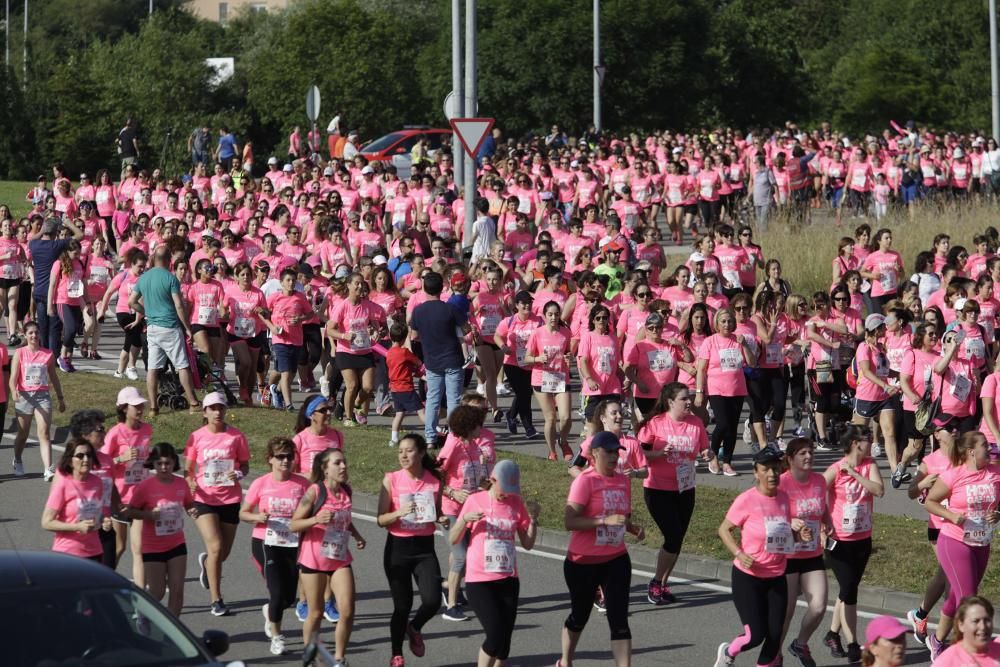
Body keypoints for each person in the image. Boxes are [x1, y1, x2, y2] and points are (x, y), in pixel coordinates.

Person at [714, 448, 813, 667]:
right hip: (748, 576)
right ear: (755, 472)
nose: (772, 474)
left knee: (775, 636)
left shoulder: (785, 498)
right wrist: (739, 553)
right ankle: (728, 653)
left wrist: (799, 536)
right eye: (766, 469)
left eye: (775, 468)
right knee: (755, 635)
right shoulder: (746, 500)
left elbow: (782, 536)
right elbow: (724, 530)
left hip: (777, 575)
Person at [558, 431, 645, 667]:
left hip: (616, 559)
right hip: (582, 561)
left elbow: (621, 517)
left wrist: (632, 528)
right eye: (609, 452)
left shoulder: (623, 481)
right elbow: (570, 521)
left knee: (619, 620)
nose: (614, 457)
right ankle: (565, 661)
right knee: (580, 616)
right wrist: (602, 521)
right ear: (595, 454)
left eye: (617, 452)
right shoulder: (585, 481)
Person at [450, 459, 539, 667]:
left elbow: (527, 544)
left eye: (510, 490)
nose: (506, 494)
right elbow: (453, 539)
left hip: (508, 578)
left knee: (504, 643)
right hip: (480, 580)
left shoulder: (516, 503)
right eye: (503, 489)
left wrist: (533, 521)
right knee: (495, 635)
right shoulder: (475, 500)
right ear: (492, 480)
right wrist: (464, 520)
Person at [636, 382, 714, 605]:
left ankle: (662, 584)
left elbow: (703, 448)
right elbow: (639, 453)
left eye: (689, 397)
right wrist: (659, 452)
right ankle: (656, 582)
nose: (689, 402)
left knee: (677, 539)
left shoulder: (696, 423)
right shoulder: (655, 424)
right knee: (672, 536)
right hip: (657, 488)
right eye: (683, 398)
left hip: (685, 488)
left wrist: (708, 454)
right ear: (670, 402)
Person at [923, 431, 1000, 659]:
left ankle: (936, 640)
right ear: (971, 452)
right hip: (954, 540)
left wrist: (998, 514)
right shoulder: (954, 475)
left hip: (981, 541)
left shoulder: (996, 474)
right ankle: (966, 654)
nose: (990, 448)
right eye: (985, 445)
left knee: (957, 596)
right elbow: (930, 501)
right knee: (969, 597)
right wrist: (950, 515)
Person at [377, 433, 448, 667]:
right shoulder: (391, 480)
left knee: (432, 600)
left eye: (408, 450)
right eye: (400, 451)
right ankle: (396, 654)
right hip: (397, 547)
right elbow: (381, 519)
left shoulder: (434, 481)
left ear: (420, 453)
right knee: (402, 605)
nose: (403, 455)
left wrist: (442, 518)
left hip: (424, 548)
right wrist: (399, 513)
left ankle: (414, 627)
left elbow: (436, 513)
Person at [290, 447, 365, 664]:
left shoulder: (346, 490)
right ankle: (310, 657)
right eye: (337, 463)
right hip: (313, 559)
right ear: (325, 469)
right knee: (315, 613)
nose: (343, 466)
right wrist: (315, 520)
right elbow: (294, 524)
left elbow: (345, 519)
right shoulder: (314, 491)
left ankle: (339, 658)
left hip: (339, 558)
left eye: (344, 462)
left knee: (348, 610)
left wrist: (357, 535)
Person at [240, 436, 310, 655]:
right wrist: (258, 517)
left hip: (293, 543)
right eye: (280, 457)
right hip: (265, 541)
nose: (285, 461)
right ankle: (277, 636)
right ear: (270, 459)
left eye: (290, 456)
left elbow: (313, 511)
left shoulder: (303, 485)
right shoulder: (261, 483)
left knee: (289, 598)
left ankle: (270, 610)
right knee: (278, 593)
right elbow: (243, 513)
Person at [184, 391, 251, 617]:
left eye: (221, 408)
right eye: (212, 408)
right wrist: (190, 483)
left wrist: (238, 475)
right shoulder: (196, 437)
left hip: (230, 498)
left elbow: (245, 466)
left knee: (223, 552)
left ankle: (207, 565)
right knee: (215, 547)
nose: (217, 412)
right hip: (204, 499)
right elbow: (189, 469)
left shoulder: (236, 437)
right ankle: (217, 599)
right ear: (205, 412)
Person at [822, 424, 884, 663]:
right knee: (849, 592)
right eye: (868, 438)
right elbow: (817, 492)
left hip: (863, 540)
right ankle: (853, 643)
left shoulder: (869, 465)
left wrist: (857, 474)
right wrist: (822, 523)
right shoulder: (835, 469)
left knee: (848, 589)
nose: (871, 442)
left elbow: (879, 490)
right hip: (839, 541)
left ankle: (832, 634)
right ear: (856, 443)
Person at [438, 404, 496, 622]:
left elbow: (474, 475)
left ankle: (448, 587)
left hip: (471, 509)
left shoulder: (473, 446)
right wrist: (452, 492)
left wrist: (486, 483)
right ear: (468, 426)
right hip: (451, 509)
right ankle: (451, 606)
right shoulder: (452, 445)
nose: (481, 429)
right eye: (478, 425)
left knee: (465, 555)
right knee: (462, 556)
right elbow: (436, 475)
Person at [126, 442, 196, 617]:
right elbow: (130, 511)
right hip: (153, 546)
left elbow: (188, 503)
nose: (164, 467)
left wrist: (192, 510)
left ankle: (174, 632)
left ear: (174, 463)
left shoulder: (181, 484)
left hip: (177, 543)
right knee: (157, 592)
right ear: (153, 464)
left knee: (177, 590)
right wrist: (149, 515)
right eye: (159, 464)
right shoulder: (145, 486)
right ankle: (142, 613)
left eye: (168, 463)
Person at [779, 437, 831, 666]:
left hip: (812, 554)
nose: (809, 456)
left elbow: (823, 508)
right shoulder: (781, 483)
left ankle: (800, 643)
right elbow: (769, 514)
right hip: (788, 555)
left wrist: (826, 523)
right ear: (790, 459)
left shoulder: (819, 480)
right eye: (802, 453)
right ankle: (774, 654)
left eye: (810, 452)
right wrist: (790, 522)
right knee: (786, 612)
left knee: (819, 606)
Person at [129, 246, 198, 414]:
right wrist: (188, 328)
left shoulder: (144, 278)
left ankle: (153, 407)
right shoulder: (171, 278)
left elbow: (132, 301)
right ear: (169, 261)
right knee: (182, 365)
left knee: (152, 368)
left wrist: (146, 312)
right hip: (170, 327)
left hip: (152, 327)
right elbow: (179, 306)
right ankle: (193, 403)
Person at [410, 272, 469, 446]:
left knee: (433, 399)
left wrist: (428, 338)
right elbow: (465, 329)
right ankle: (453, 436)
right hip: (452, 358)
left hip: (432, 360)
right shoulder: (450, 308)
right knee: (453, 399)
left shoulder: (418, 310)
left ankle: (430, 436)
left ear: (424, 288)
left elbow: (414, 336)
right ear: (442, 288)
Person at [695, 307, 755, 476]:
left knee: (732, 427)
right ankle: (712, 454)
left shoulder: (739, 340)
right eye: (723, 321)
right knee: (722, 424)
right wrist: (700, 392)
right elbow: (701, 369)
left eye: (729, 321)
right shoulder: (710, 341)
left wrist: (745, 345)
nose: (727, 324)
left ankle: (727, 462)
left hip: (737, 389)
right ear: (717, 324)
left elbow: (751, 363)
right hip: (716, 389)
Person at [102, 386, 153, 585]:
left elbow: (146, 458)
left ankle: (141, 597)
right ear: (124, 408)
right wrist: (120, 458)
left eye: (141, 405)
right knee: (118, 546)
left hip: (140, 496)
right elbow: (102, 463)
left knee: (139, 548)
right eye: (135, 406)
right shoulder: (115, 433)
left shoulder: (147, 429)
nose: (139, 409)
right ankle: (103, 581)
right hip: (119, 496)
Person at [41, 437, 111, 561]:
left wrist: (104, 521)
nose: (85, 459)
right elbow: (46, 522)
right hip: (68, 554)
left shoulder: (97, 482)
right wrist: (76, 527)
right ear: (69, 461)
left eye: (89, 455)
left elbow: (99, 513)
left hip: (95, 551)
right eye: (80, 456)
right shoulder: (63, 485)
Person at [10, 321, 64, 481]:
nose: (34, 336)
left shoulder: (47, 354)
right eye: (30, 333)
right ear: (25, 335)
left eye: (36, 332)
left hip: (42, 396)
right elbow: (13, 378)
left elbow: (54, 378)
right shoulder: (20, 353)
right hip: (24, 396)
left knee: (44, 433)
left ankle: (48, 469)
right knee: (23, 433)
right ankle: (18, 459)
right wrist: (14, 391)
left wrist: (61, 398)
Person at [525, 300, 574, 461]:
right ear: (545, 316)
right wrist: (538, 358)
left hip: (560, 377)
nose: (553, 317)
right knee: (551, 418)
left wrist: (569, 357)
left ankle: (563, 441)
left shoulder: (566, 332)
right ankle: (552, 451)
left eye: (556, 314)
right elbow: (526, 359)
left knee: (566, 417)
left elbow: (568, 353)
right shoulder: (537, 333)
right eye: (550, 314)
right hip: (541, 378)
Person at [29, 216, 83, 352]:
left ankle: (43, 352)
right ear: (55, 233)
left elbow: (33, 238)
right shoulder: (57, 245)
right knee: (55, 328)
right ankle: (53, 356)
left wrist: (42, 229)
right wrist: (69, 223)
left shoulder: (34, 245)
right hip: (54, 293)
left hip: (39, 291)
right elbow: (80, 235)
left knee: (43, 326)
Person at [387, 322, 425, 447]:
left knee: (399, 414)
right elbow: (418, 362)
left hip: (395, 389)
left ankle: (394, 439)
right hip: (406, 388)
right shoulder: (404, 352)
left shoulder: (389, 353)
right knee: (421, 412)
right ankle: (434, 430)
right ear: (404, 339)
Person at [932, 596, 1000, 666]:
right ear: (961, 625)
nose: (983, 627)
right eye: (975, 621)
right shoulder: (946, 661)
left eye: (987, 620)